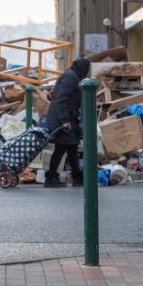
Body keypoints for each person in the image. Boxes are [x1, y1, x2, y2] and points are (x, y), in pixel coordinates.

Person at [44, 58, 91, 188]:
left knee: (71, 148)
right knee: (62, 148)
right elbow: (61, 99)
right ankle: (51, 177)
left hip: (67, 118)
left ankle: (76, 177)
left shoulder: (72, 75)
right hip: (62, 119)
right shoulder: (71, 78)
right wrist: (65, 120)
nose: (87, 73)